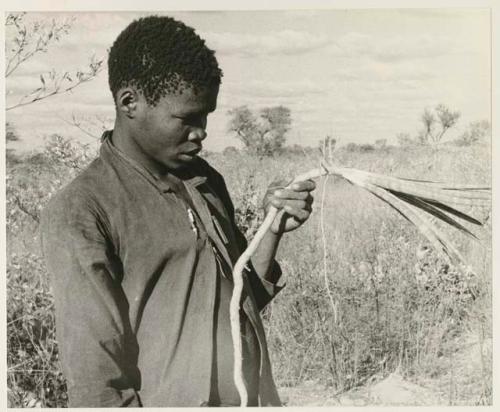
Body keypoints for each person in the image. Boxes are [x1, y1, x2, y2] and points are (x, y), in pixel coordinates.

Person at [41, 15, 316, 407]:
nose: (201, 131)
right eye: (187, 118)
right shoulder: (83, 209)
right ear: (129, 102)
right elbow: (97, 380)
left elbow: (242, 298)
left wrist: (272, 229)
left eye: (206, 116)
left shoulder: (205, 181)